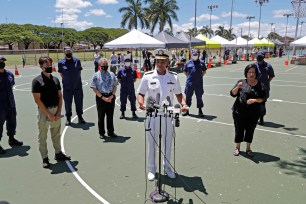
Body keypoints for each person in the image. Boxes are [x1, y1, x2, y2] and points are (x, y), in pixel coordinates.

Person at [137, 49, 188, 181]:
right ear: (155, 62)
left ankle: (168, 167)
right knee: (152, 143)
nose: (160, 63)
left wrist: (183, 104)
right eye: (158, 61)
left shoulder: (173, 77)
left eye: (163, 61)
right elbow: (141, 93)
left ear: (167, 62)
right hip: (152, 114)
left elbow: (178, 93)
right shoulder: (147, 76)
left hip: (168, 114)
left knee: (167, 142)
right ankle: (152, 169)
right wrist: (141, 103)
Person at [32, 57, 71, 168]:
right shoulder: (37, 81)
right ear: (41, 67)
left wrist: (58, 112)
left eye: (50, 65)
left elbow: (60, 96)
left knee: (56, 134)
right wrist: (48, 114)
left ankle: (58, 153)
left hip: (55, 110)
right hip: (44, 111)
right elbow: (37, 100)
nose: (49, 67)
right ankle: (45, 158)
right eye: (47, 66)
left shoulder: (55, 80)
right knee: (43, 136)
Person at [230, 64, 266, 157]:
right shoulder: (241, 82)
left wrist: (254, 100)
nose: (251, 74)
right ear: (246, 73)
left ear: (256, 73)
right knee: (238, 129)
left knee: (250, 130)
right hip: (239, 112)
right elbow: (232, 93)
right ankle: (237, 147)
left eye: (253, 72)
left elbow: (263, 98)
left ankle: (248, 148)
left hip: (253, 113)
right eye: (249, 72)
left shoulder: (260, 85)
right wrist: (238, 87)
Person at [90, 58, 118, 139]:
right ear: (100, 66)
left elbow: (115, 86)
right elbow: (94, 88)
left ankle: (111, 131)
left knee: (110, 115)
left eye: (106, 65)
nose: (105, 67)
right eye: (103, 65)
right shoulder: (96, 75)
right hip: (100, 98)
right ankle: (101, 132)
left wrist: (112, 95)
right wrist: (102, 97)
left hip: (110, 96)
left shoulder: (112, 74)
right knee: (101, 116)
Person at [0, 55, 23, 154]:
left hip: (10, 103)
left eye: (3, 61)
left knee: (12, 122)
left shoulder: (9, 74)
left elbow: (12, 84)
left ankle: (12, 138)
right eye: (0, 61)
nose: (2, 63)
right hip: (0, 105)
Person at [58, 46, 85, 126]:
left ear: (71, 52)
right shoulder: (61, 62)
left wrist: (76, 80)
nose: (68, 53)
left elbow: (79, 72)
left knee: (79, 102)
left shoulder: (77, 61)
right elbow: (61, 74)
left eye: (69, 51)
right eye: (66, 51)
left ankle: (80, 117)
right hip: (67, 87)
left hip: (77, 86)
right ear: (64, 52)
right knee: (67, 103)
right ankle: (68, 118)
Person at [182, 49, 207, 117]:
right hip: (190, 83)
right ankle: (187, 111)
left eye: (196, 55)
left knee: (199, 97)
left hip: (198, 83)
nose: (195, 56)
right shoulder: (188, 63)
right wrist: (189, 76)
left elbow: (204, 71)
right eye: (194, 55)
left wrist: (200, 76)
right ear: (192, 55)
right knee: (188, 97)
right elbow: (184, 71)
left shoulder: (201, 62)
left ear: (198, 55)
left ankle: (200, 110)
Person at [255, 51, 275, 125]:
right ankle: (254, 117)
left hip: (264, 88)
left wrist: (267, 82)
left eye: (260, 58)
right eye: (258, 57)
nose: (259, 59)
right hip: (255, 87)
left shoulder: (268, 66)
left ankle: (261, 118)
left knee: (262, 103)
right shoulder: (254, 65)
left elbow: (271, 75)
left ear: (263, 58)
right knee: (254, 102)